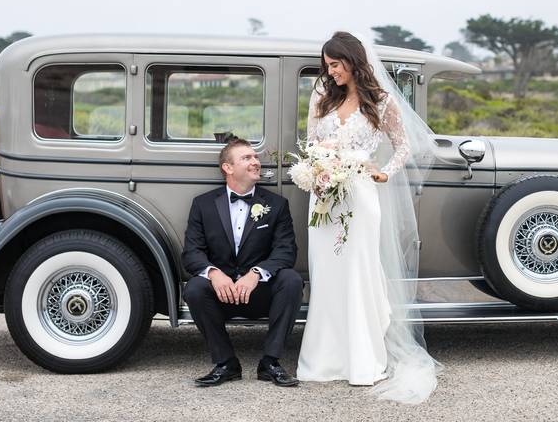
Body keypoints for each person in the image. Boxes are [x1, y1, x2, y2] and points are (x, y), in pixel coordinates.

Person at [296, 31, 440, 404]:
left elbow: (405, 145)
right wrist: (317, 164)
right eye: (326, 65)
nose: (330, 72)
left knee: (359, 272)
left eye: (335, 64)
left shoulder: (382, 101)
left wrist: (385, 173)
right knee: (327, 275)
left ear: (353, 61)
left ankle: (363, 360)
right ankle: (325, 360)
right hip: (325, 197)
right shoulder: (322, 98)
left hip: (360, 195)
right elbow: (311, 141)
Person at [182, 137, 303, 387]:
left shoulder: (277, 205)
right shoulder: (203, 204)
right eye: (247, 158)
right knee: (194, 288)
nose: (255, 162)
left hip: (260, 294)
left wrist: (256, 273)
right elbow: (192, 253)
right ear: (228, 168)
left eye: (256, 157)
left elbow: (286, 251)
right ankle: (226, 363)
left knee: (291, 280)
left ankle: (270, 363)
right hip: (221, 295)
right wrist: (214, 274)